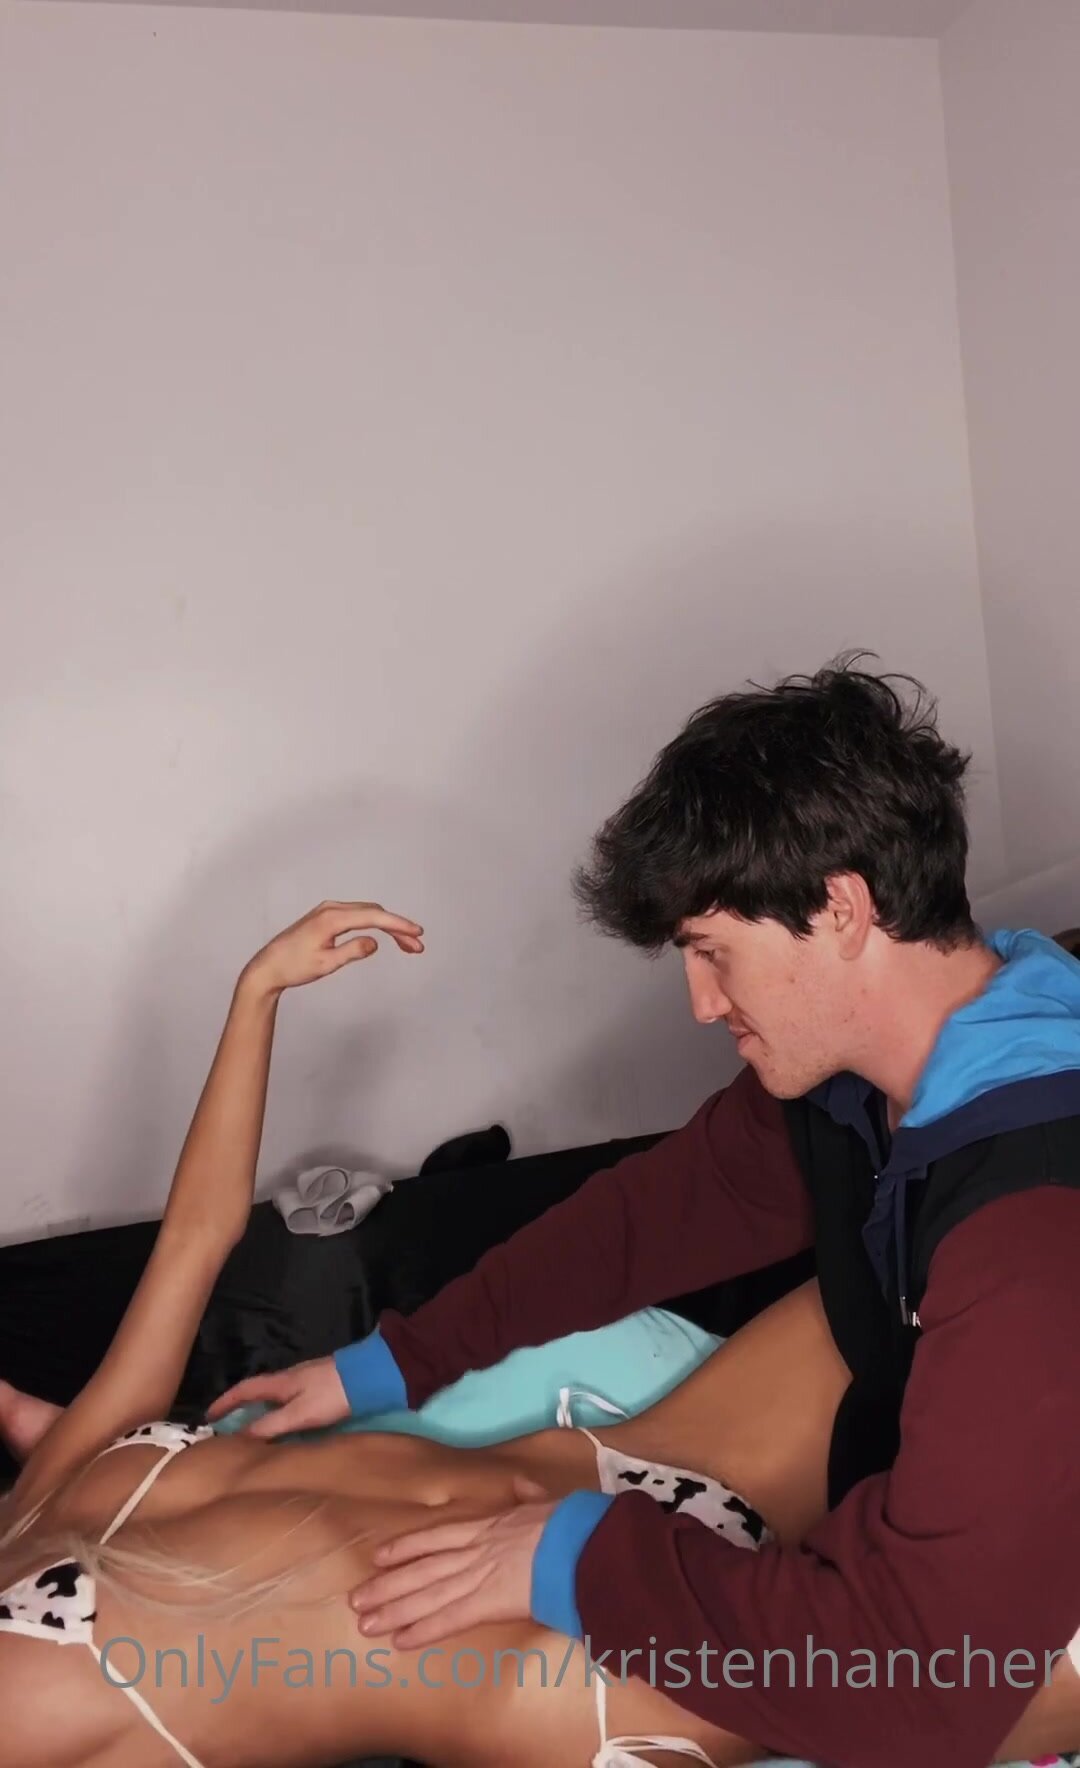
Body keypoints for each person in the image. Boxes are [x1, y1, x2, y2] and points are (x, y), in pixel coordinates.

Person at [207, 655, 1080, 1768]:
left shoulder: (1031, 1227)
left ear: (843, 909)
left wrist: (578, 1561)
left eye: (714, 954)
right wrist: (391, 1362)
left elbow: (927, 1687)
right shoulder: (867, 1080)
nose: (703, 1003)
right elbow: (640, 1221)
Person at [0, 894, 927, 1768]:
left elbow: (198, 1239)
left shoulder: (53, 1488)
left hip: (618, 1474)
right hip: (567, 1678)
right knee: (967, 1671)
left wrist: (257, 992)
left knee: (926, 1272)